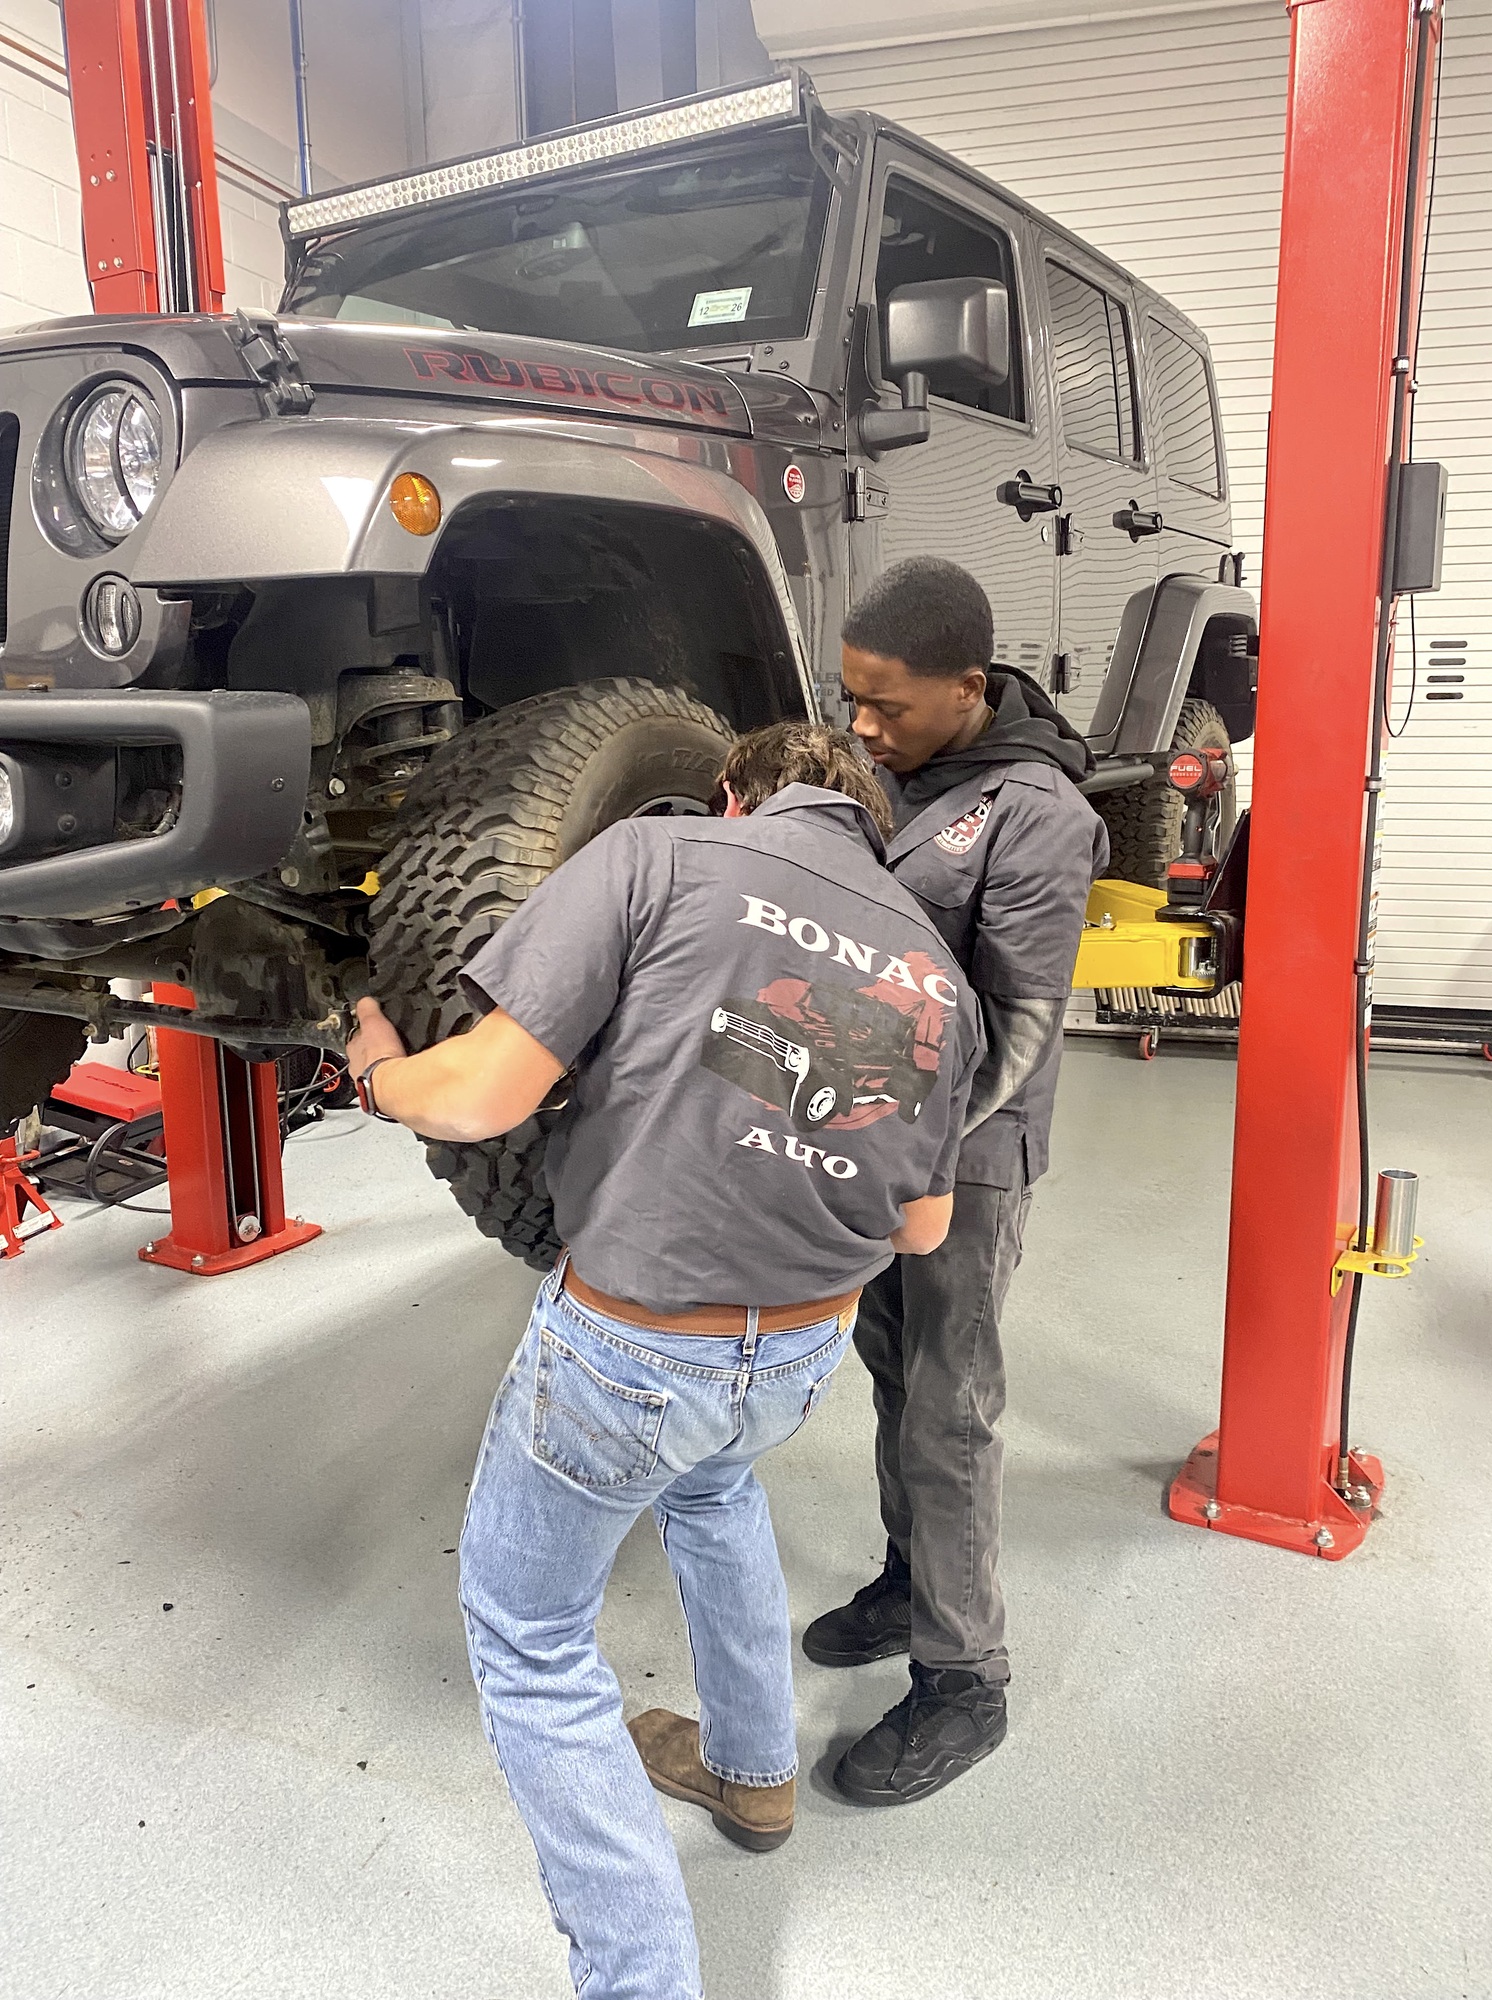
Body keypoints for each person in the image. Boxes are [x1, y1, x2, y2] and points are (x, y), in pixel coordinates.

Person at [345, 721, 981, 2000]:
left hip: (635, 1347)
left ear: (736, 792)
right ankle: (756, 1778)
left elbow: (475, 1098)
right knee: (711, 1489)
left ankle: (641, 1980)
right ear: (863, 820)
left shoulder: (666, 856)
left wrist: (378, 1072)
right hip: (799, 1349)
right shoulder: (933, 969)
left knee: (527, 1640)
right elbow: (926, 1223)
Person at [803, 556, 1108, 1808]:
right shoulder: (888, 768)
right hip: (874, 1135)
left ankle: (964, 1675)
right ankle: (905, 1574)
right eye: (850, 699)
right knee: (890, 1368)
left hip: (963, 1162)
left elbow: (1026, 1023)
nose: (862, 727)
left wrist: (919, 1153)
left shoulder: (1037, 813)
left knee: (953, 1404)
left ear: (970, 686)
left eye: (889, 705)